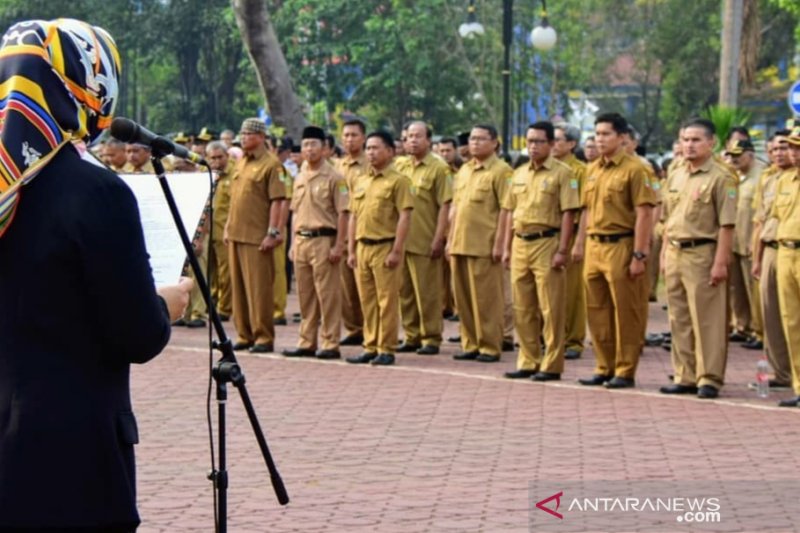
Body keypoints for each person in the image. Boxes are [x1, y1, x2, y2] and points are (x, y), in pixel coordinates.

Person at [0, 19, 192, 531]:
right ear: (93, 85)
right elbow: (137, 334)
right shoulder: (95, 192)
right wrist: (165, 304)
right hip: (72, 453)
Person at [572, 113, 656, 389]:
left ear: (622, 137)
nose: (600, 139)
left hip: (621, 244)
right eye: (597, 134)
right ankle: (603, 365)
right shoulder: (592, 169)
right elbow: (586, 210)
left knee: (626, 311)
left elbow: (644, 214)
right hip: (595, 245)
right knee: (597, 310)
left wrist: (639, 254)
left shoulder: (636, 169)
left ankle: (625, 369)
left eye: (606, 134)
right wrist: (579, 243)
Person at [659, 118, 737, 399]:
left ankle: (709, 377)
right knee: (678, 318)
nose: (689, 145)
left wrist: (720, 262)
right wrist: (663, 254)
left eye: (695, 140)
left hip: (703, 252)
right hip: (675, 251)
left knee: (707, 319)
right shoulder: (677, 172)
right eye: (685, 140)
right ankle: (685, 374)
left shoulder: (721, 176)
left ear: (711, 142)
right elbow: (668, 217)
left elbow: (727, 224)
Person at [501, 122, 580, 380]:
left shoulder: (563, 173)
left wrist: (563, 249)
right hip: (520, 241)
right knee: (522, 307)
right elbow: (510, 212)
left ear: (551, 144)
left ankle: (552, 363)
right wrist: (506, 247)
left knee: (550, 306)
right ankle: (528, 359)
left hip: (547, 241)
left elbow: (569, 213)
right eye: (530, 141)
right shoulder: (519, 173)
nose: (533, 146)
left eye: (539, 141)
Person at [346, 131, 413, 366]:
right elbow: (353, 216)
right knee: (368, 300)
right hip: (362, 247)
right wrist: (351, 249)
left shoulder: (399, 181)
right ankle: (370, 345)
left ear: (390, 152)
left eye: (376, 148)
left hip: (385, 245)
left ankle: (386, 347)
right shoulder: (361, 180)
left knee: (387, 301)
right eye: (369, 148)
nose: (371, 153)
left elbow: (405, 216)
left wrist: (397, 250)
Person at [447, 124, 512, 363]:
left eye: (481, 139)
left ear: (495, 143)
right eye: (472, 138)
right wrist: (449, 238)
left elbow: (507, 210)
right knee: (462, 299)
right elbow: (455, 208)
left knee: (486, 299)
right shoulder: (464, 170)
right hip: (459, 244)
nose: (474, 143)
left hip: (484, 245)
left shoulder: (502, 171)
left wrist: (501, 244)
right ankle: (470, 342)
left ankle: (489, 345)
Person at [283, 126, 349, 359]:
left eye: (314, 144)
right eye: (306, 145)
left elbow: (343, 213)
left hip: (324, 240)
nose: (309, 149)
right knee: (305, 295)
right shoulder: (299, 176)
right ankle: (307, 340)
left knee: (328, 295)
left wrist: (339, 245)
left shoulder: (335, 177)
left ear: (325, 148)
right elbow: (294, 213)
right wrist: (292, 244)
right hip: (301, 240)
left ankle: (330, 342)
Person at [224, 117, 288, 353]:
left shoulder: (272, 165)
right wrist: (229, 225)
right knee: (239, 289)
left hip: (257, 236)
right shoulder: (240, 163)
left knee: (259, 290)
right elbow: (235, 198)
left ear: (261, 137)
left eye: (248, 134)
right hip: (236, 234)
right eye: (242, 134)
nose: (243, 138)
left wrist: (273, 232)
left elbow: (279, 201)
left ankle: (263, 336)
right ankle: (244, 333)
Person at [394, 121, 453, 355]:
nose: (413, 140)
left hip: (425, 239)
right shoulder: (399, 166)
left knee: (427, 292)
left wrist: (439, 238)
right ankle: (412, 335)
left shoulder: (439, 168)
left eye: (418, 136)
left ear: (429, 140)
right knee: (405, 292)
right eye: (409, 136)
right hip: (402, 241)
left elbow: (445, 206)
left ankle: (431, 337)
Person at [751, 131, 792, 389]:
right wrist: (756, 258)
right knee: (771, 315)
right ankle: (781, 372)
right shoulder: (768, 180)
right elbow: (760, 222)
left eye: (785, 148)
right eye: (776, 148)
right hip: (771, 249)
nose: (780, 153)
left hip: (792, 250)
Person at [725, 139, 765, 349]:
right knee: (736, 289)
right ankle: (742, 327)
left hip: (751, 242)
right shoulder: (734, 175)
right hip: (735, 242)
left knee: (754, 290)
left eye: (738, 155)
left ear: (750, 154)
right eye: (731, 155)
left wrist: (756, 242)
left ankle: (760, 332)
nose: (734, 159)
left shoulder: (761, 175)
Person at [553, 122, 587, 360]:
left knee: (573, 291)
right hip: (549, 233)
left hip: (572, 232)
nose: (553, 145)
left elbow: (584, 208)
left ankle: (573, 340)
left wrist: (579, 242)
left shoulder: (580, 171)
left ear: (572, 144)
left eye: (558, 140)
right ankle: (553, 336)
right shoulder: (547, 168)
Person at [772, 127, 800, 407]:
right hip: (786, 252)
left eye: (797, 147)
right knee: (791, 322)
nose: (793, 152)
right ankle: (799, 384)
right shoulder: (785, 180)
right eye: (791, 146)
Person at [334, 119, 368, 346]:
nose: (349, 139)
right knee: (346, 288)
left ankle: (370, 331)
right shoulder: (337, 166)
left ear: (363, 138)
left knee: (365, 288)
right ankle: (354, 328)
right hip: (340, 232)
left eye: (354, 135)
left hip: (363, 231)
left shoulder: (370, 164)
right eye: (345, 135)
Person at [206, 141, 235, 320]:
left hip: (225, 231)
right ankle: (213, 302)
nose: (216, 161)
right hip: (208, 232)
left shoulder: (234, 174)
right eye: (213, 158)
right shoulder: (207, 174)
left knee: (226, 274)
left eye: (220, 157)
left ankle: (225, 308)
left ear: (227, 156)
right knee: (212, 273)